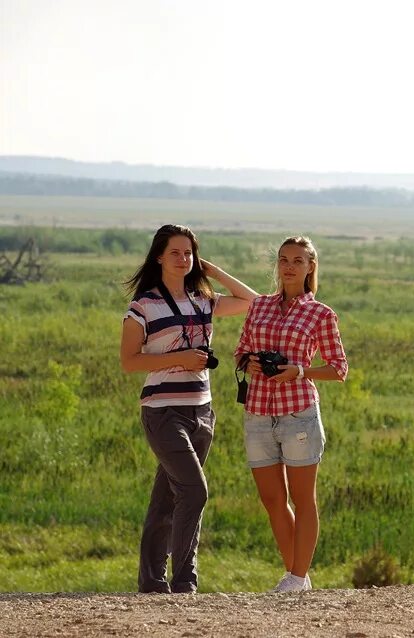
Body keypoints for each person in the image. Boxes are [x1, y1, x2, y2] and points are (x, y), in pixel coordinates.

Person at [120, 224, 257, 593]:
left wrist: (214, 272)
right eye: (175, 253)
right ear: (159, 257)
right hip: (163, 411)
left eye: (189, 253)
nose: (183, 259)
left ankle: (151, 581)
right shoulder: (143, 305)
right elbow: (129, 362)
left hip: (202, 412)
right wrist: (180, 357)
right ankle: (184, 580)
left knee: (167, 497)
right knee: (195, 491)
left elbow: (253, 302)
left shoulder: (203, 299)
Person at [234, 236, 348, 592]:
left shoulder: (320, 313)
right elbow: (240, 350)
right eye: (284, 260)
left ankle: (297, 577)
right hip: (257, 412)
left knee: (303, 499)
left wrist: (300, 370)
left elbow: (339, 368)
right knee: (271, 500)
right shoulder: (259, 306)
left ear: (310, 266)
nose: (288, 266)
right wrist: (250, 363)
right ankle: (297, 576)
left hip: (298, 413)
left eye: (298, 261)